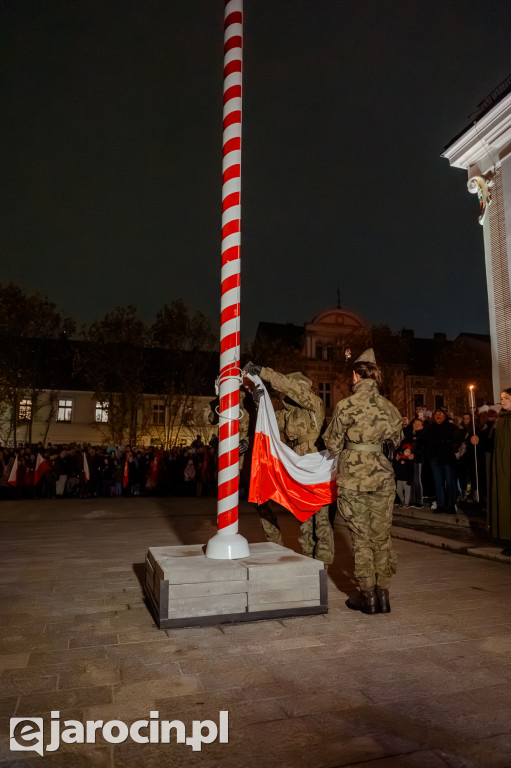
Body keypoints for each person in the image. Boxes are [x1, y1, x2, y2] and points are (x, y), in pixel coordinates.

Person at [323, 349, 403, 614]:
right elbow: (397, 440)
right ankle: (384, 595)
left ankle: (367, 596)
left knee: (361, 538)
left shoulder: (346, 405)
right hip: (382, 477)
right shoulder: (389, 406)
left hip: (354, 479)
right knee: (381, 537)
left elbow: (332, 442)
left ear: (356, 375)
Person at [243, 363, 334, 565]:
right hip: (297, 466)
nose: (291, 392)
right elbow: (266, 425)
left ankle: (323, 564)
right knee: (304, 520)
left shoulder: (315, 405)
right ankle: (309, 561)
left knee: (322, 521)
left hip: (316, 466)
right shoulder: (288, 414)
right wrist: (259, 401)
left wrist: (265, 372)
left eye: (296, 387)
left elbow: (292, 389)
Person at [473, 389, 511, 554]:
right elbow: (491, 444)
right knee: (504, 500)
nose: (503, 401)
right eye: (502, 398)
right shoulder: (500, 419)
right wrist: (478, 440)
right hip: (501, 467)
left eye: (507, 398)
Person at [422, 409, 463, 513]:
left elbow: (457, 440)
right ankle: (440, 504)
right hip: (435, 458)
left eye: (441, 414)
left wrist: (451, 449)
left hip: (447, 458)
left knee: (450, 481)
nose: (438, 416)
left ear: (445, 415)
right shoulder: (430, 428)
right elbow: (425, 441)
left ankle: (451, 504)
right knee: (438, 481)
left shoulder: (451, 427)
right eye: (436, 414)